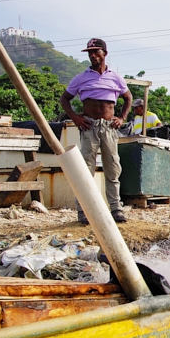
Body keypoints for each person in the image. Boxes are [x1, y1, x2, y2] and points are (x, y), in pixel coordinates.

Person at [61, 38, 133, 224]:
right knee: (85, 170)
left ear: (104, 54)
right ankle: (84, 212)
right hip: (89, 126)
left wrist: (122, 118)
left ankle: (116, 209)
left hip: (109, 127)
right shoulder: (81, 78)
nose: (92, 55)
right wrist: (76, 118)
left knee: (113, 168)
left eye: (96, 52)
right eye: (89, 52)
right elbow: (65, 99)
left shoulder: (115, 77)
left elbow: (128, 98)